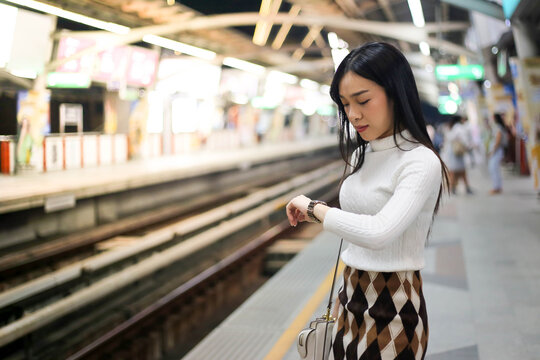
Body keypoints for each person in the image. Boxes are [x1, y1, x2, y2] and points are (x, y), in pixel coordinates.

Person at [286, 42, 448, 360]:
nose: (353, 114)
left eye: (363, 100)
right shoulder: (363, 153)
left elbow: (378, 232)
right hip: (351, 291)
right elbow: (357, 222)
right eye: (345, 104)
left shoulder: (420, 160)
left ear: (396, 93)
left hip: (394, 299)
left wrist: (315, 209)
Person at [441, 115, 473, 194]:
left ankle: (454, 187)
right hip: (457, 153)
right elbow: (463, 139)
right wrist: (468, 146)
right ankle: (456, 187)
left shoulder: (451, 128)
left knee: (456, 170)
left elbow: (448, 138)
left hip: (452, 152)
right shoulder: (458, 127)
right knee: (459, 170)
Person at [488, 113, 509, 194]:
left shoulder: (498, 127)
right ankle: (497, 186)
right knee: (494, 168)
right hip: (496, 150)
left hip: (497, 150)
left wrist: (493, 150)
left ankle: (496, 187)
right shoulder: (497, 127)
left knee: (494, 168)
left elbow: (498, 139)